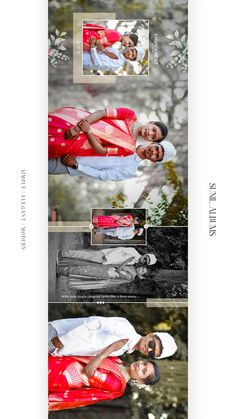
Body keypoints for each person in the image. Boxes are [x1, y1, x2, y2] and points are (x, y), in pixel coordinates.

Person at [49, 344, 160, 411]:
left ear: (140, 381)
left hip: (63, 377)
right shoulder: (118, 361)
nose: (140, 366)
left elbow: (89, 371)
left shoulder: (117, 384)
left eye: (143, 371)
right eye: (144, 363)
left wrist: (110, 349)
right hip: (62, 361)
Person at [48, 107, 168, 159]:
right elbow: (102, 113)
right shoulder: (129, 115)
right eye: (153, 129)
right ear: (151, 122)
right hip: (75, 123)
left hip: (78, 143)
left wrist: (87, 131)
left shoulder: (129, 149)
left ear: (151, 141)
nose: (150, 133)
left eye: (153, 136)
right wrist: (77, 128)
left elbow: (101, 150)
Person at [48, 316, 178, 360]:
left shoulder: (122, 351)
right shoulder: (127, 331)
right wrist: (63, 339)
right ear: (150, 335)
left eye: (152, 354)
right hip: (57, 334)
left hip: (55, 350)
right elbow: (96, 321)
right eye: (152, 345)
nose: (148, 350)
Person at [56, 259, 148, 290]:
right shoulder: (132, 268)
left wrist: (127, 260)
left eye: (143, 271)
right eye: (143, 267)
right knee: (84, 267)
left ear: (141, 276)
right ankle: (62, 270)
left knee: (83, 271)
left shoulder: (131, 277)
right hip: (106, 268)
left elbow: (119, 270)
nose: (141, 268)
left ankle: (60, 270)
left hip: (105, 273)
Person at [57, 247, 157, 266]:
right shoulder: (134, 252)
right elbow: (119, 249)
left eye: (146, 262)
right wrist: (107, 257)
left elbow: (119, 262)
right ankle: (62, 253)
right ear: (145, 255)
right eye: (145, 259)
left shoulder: (134, 262)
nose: (144, 261)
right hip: (105, 255)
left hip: (105, 262)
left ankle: (64, 256)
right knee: (84, 255)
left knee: (84, 258)